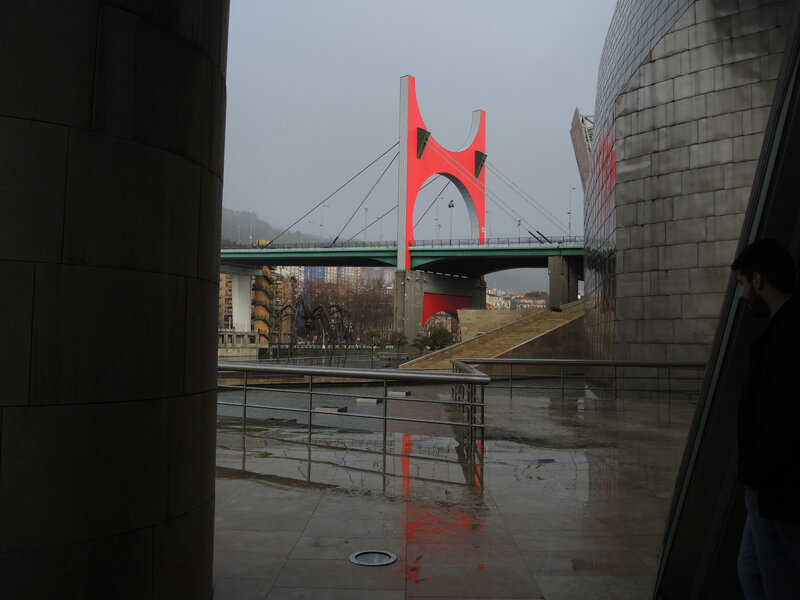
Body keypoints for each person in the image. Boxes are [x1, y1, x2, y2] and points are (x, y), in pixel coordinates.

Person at [732, 239, 800, 599]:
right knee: (752, 571)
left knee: (780, 582)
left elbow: (785, 414)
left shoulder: (787, 337)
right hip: (765, 484)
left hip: (774, 488)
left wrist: (758, 473)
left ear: (759, 280)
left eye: (742, 284)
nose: (741, 295)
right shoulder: (780, 331)